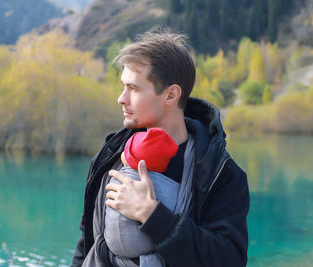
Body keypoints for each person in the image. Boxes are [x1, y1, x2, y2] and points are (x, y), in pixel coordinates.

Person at [72, 29, 249, 267]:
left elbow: (228, 259)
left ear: (171, 95)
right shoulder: (111, 155)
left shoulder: (220, 173)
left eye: (133, 89)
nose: (121, 98)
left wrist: (153, 216)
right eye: (123, 86)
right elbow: (87, 242)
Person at [104, 128, 180, 267]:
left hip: (110, 248)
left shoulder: (113, 174)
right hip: (147, 251)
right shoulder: (176, 188)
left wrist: (150, 212)